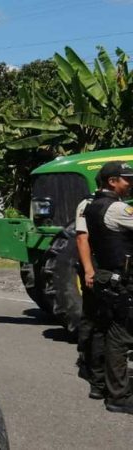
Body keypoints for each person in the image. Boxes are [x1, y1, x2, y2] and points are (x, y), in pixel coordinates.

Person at [84, 161, 133, 414]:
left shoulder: (91, 205)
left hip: (106, 276)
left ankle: (100, 384)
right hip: (120, 280)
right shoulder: (117, 208)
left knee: (104, 331)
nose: (130, 183)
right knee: (121, 336)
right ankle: (119, 396)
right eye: (127, 179)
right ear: (112, 181)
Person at [75, 189, 105, 399]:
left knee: (92, 318)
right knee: (96, 320)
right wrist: (88, 269)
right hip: (96, 265)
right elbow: (82, 239)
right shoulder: (88, 204)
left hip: (104, 264)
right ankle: (91, 366)